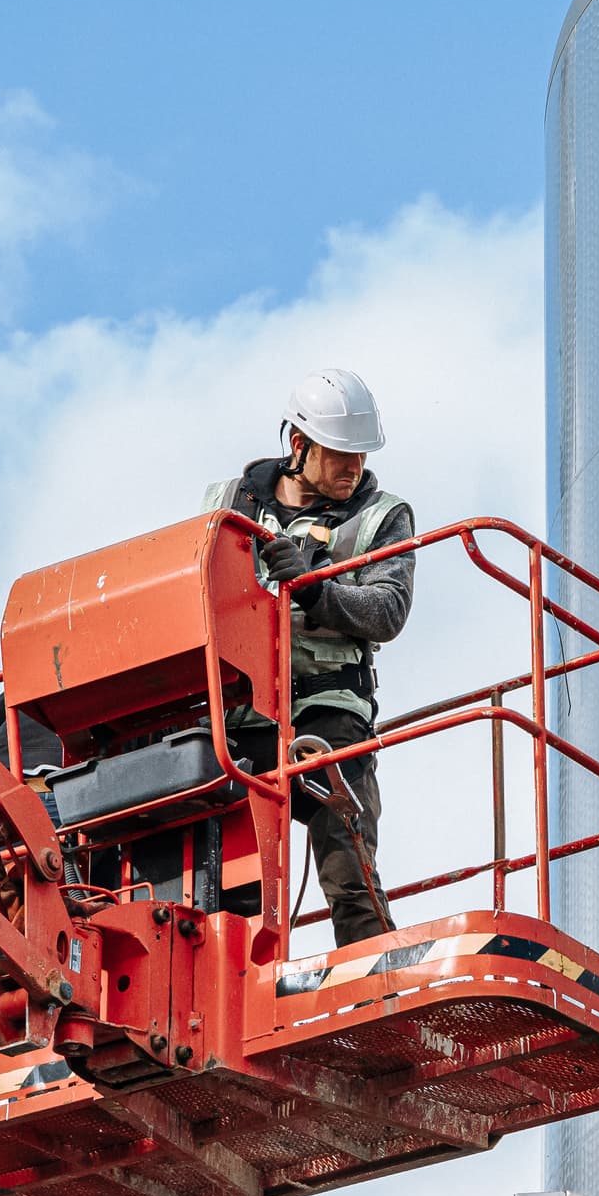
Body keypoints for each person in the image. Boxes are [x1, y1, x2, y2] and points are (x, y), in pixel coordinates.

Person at [207, 369, 414, 946]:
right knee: (222, 870)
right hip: (237, 707)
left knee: (345, 853)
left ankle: (375, 971)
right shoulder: (228, 502)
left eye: (362, 455)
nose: (355, 468)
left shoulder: (383, 514)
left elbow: (388, 610)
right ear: (299, 446)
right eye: (341, 454)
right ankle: (240, 977)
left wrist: (317, 587)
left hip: (327, 704)